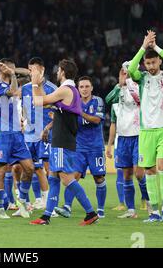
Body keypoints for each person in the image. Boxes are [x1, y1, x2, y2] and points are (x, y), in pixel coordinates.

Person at [30, 59, 98, 226]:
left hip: (62, 140)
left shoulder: (66, 90)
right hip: (62, 139)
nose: (57, 72)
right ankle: (46, 216)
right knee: (53, 177)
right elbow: (45, 102)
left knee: (66, 178)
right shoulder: (69, 91)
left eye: (59, 70)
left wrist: (34, 84)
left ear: (62, 72)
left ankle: (90, 212)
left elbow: (38, 102)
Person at [128, 30, 163, 222]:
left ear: (159, 61)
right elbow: (131, 69)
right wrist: (143, 47)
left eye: (153, 62)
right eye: (147, 63)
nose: (150, 66)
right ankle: (155, 212)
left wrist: (155, 47)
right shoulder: (141, 78)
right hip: (146, 131)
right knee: (149, 171)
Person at [55, 76, 108, 219]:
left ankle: (101, 210)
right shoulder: (73, 101)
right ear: (78, 89)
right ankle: (66, 207)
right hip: (78, 147)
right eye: (81, 87)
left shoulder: (97, 101)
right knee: (73, 177)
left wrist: (79, 112)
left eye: (86, 86)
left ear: (91, 88)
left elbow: (96, 120)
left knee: (99, 178)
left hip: (95, 147)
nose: (84, 89)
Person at [0, 58, 35, 219]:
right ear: (0, 69)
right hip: (1, 134)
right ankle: (0, 209)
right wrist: (11, 74)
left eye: (13, 69)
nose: (11, 71)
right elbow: (13, 92)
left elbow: (29, 73)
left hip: (17, 134)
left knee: (29, 168)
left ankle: (21, 201)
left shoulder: (11, 79)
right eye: (8, 69)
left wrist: (12, 71)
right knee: (0, 171)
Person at [105, 64, 150, 219]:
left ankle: (147, 199)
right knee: (126, 175)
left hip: (138, 136)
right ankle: (131, 210)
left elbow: (140, 101)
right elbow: (108, 100)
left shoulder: (140, 89)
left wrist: (130, 83)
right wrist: (110, 145)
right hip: (123, 139)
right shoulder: (117, 94)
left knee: (139, 173)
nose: (125, 76)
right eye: (122, 73)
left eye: (127, 73)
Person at [21, 57, 56, 210]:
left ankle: (50, 203)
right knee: (34, 168)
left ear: (42, 70)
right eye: (29, 70)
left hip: (46, 134)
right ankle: (41, 200)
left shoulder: (52, 88)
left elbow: (58, 114)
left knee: (49, 169)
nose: (31, 73)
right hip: (30, 134)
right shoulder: (26, 88)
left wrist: (48, 127)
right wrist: (23, 120)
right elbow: (25, 108)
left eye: (34, 70)